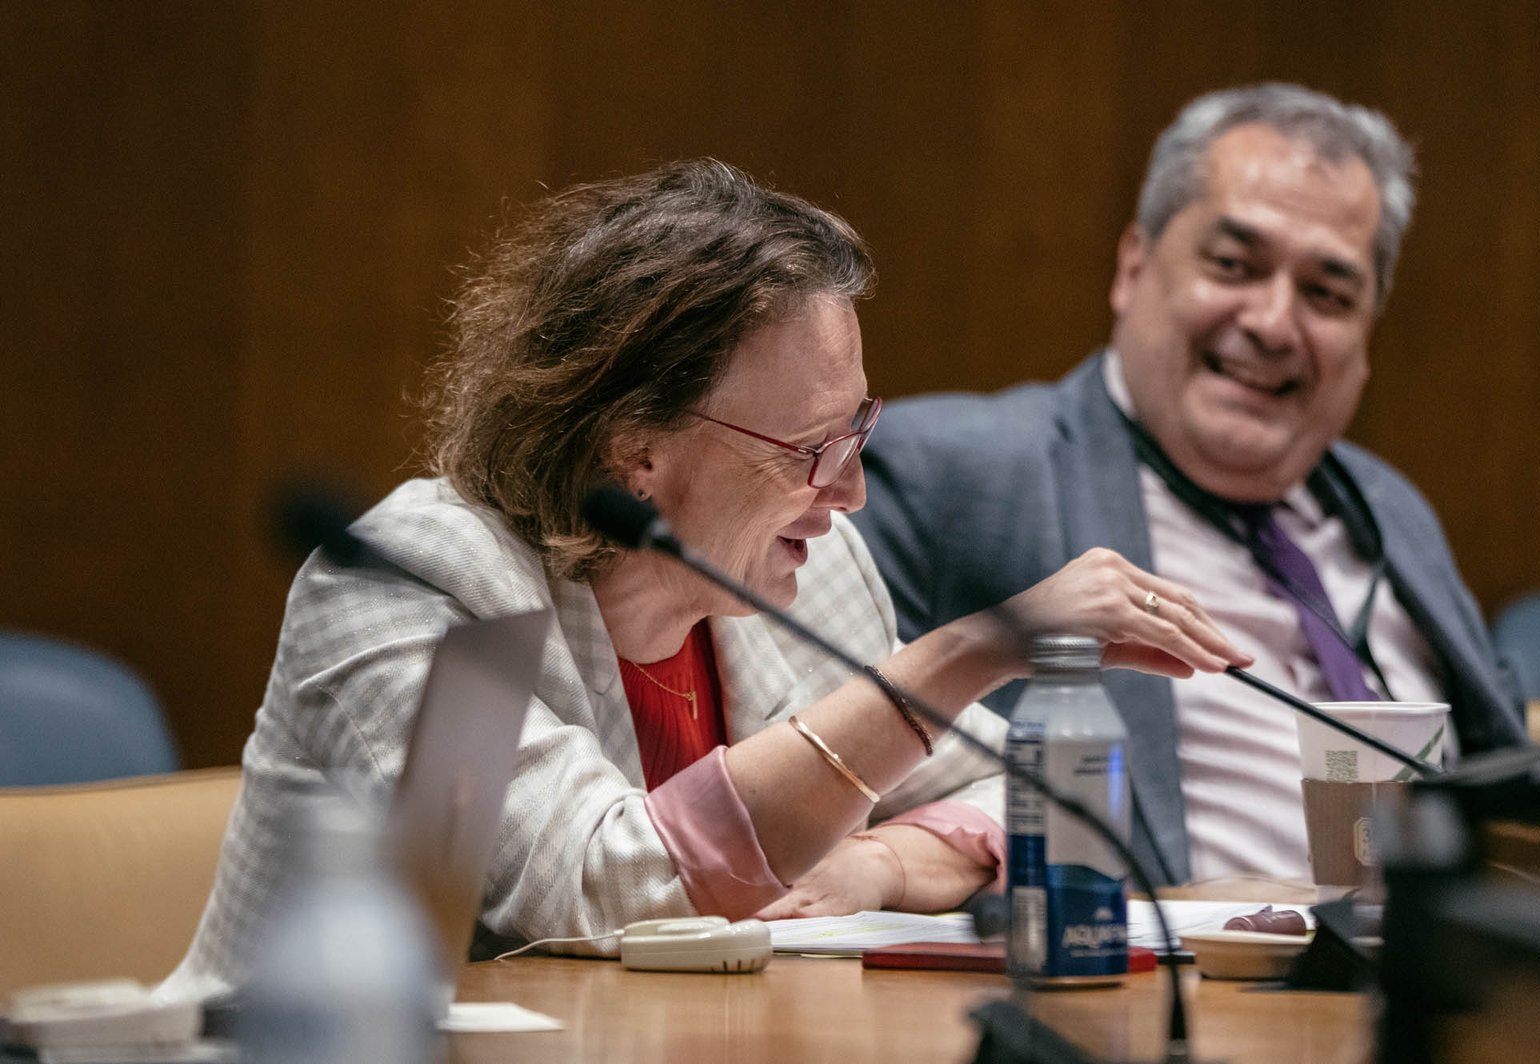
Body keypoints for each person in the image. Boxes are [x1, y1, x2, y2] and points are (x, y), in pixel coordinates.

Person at [163, 159, 1246, 998]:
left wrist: (872, 868)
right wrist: (972, 647)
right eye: (810, 447)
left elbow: (1022, 793)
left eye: (856, 432)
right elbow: (605, 886)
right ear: (636, 447)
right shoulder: (423, 581)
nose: (849, 492)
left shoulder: (795, 570)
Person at [854, 84, 1526, 886]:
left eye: (1326, 294)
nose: (1273, 323)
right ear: (1133, 266)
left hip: (1437, 955)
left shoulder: (1391, 509)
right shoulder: (948, 476)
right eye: (1234, 265)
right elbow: (817, 764)